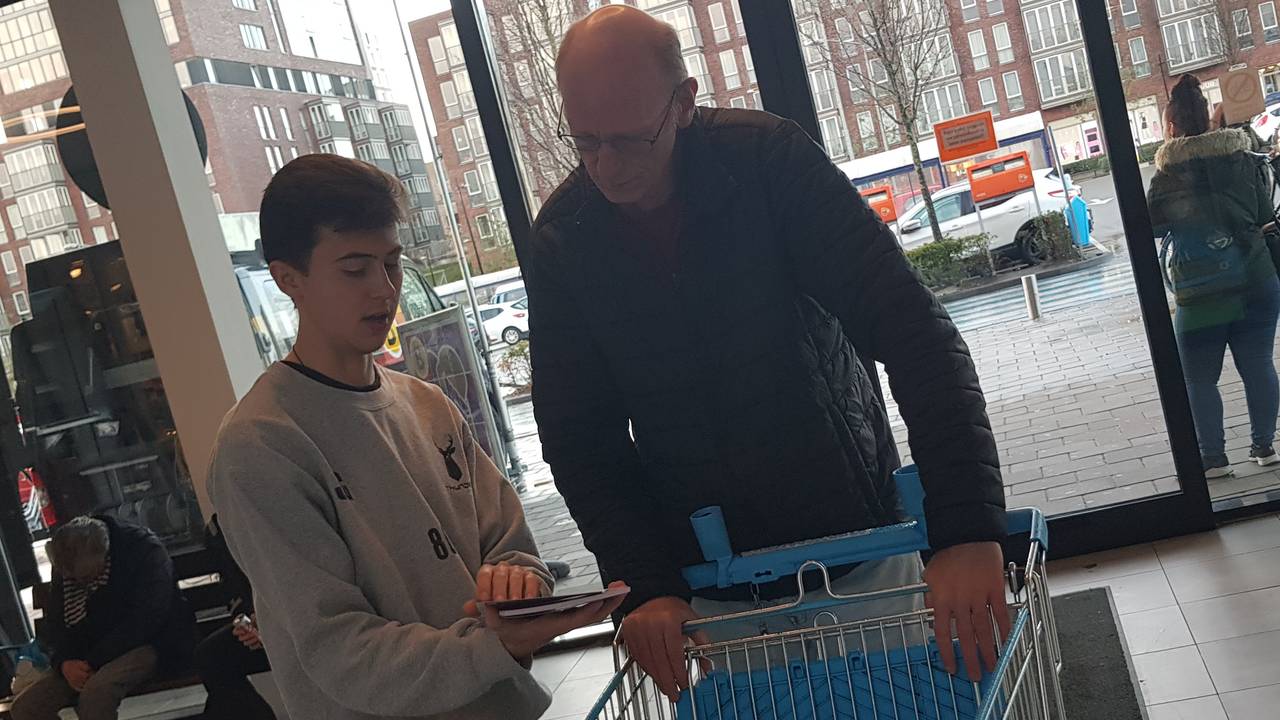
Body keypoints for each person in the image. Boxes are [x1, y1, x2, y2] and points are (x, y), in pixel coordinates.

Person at [527, 6, 1008, 702]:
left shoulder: (770, 163)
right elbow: (580, 440)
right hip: (714, 577)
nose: (607, 167)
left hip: (859, 542)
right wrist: (646, 585)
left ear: (686, 102)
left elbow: (913, 331)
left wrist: (965, 527)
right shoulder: (564, 240)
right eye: (586, 142)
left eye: (631, 139)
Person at [206, 154, 623, 720]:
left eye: (392, 264)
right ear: (288, 278)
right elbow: (338, 651)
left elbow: (513, 546)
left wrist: (518, 586)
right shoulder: (261, 445)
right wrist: (494, 644)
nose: (383, 290)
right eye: (355, 269)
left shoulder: (427, 405)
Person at [1148, 74, 1280, 478]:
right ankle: (1264, 447)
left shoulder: (1166, 175)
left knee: (1199, 378)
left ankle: (1213, 458)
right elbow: (1264, 217)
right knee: (1258, 362)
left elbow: (1152, 226)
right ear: (1208, 119)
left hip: (1199, 289)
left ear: (1171, 126)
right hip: (1255, 278)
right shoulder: (1241, 159)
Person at [13, 516, 196, 720]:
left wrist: (93, 661)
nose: (79, 583)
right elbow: (55, 625)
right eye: (72, 578)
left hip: (150, 643)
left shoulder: (142, 549)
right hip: (85, 654)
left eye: (86, 577)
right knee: (26, 708)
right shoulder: (67, 562)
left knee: (96, 693)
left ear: (103, 553)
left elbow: (147, 619)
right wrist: (64, 662)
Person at [193, 515, 274, 720]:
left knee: (220, 696)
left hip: (293, 617)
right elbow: (232, 586)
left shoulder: (271, 512)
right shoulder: (218, 529)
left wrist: (268, 621)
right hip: (259, 620)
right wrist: (246, 620)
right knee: (211, 655)